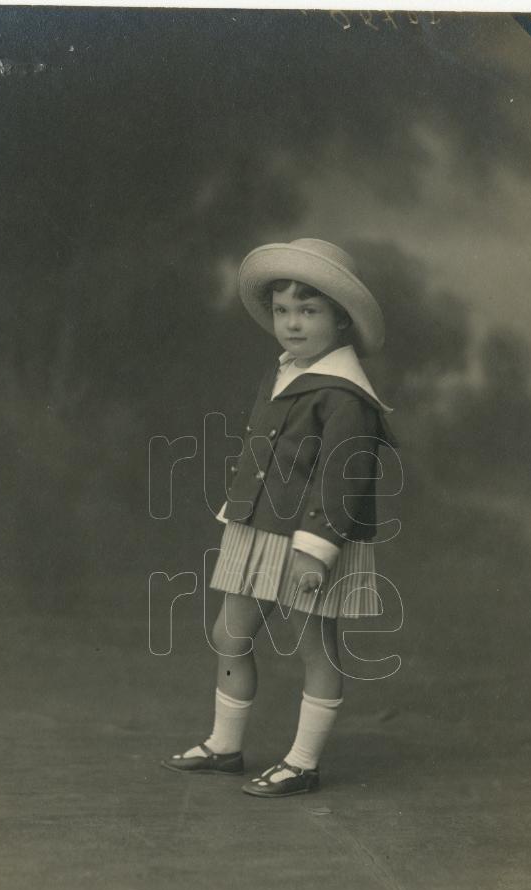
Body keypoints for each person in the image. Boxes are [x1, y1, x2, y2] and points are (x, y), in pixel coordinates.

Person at [161, 238, 396, 797]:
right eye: (282, 311)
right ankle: (225, 745)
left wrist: (314, 552)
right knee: (229, 633)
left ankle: (303, 762)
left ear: (340, 320)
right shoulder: (284, 372)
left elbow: (343, 479)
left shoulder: (346, 397)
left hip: (312, 538)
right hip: (259, 527)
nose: (292, 324)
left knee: (315, 643)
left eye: (309, 311)